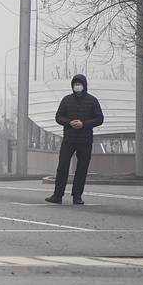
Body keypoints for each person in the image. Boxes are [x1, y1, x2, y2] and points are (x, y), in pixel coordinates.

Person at [46, 74, 104, 205]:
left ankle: (77, 196)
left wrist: (84, 124)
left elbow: (99, 119)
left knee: (82, 169)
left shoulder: (92, 101)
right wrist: (69, 122)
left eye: (79, 84)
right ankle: (57, 195)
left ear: (84, 85)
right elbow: (58, 117)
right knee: (62, 167)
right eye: (75, 84)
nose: (77, 86)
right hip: (69, 139)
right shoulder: (66, 100)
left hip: (85, 140)